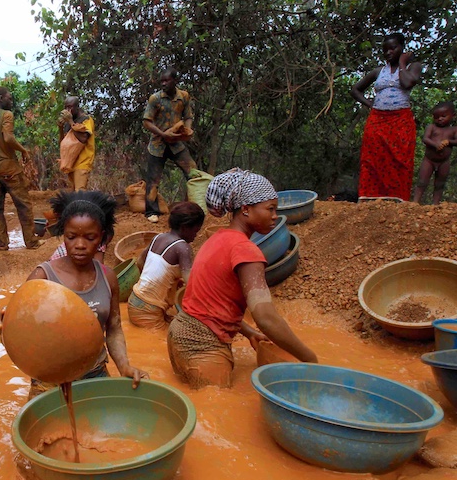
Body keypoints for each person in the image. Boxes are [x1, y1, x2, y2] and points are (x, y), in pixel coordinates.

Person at [168, 169, 318, 389]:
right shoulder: (245, 250)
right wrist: (311, 359)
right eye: (270, 209)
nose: (275, 216)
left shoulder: (217, 239)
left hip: (178, 336)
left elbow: (213, 302)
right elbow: (266, 318)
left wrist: (248, 333)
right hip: (203, 348)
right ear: (246, 209)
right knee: (217, 413)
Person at [15, 190, 149, 399]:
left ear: (102, 238)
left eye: (90, 237)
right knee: (48, 431)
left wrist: (124, 367)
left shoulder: (108, 277)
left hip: (95, 373)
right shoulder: (43, 277)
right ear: (63, 236)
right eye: (71, 237)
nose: (79, 245)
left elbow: (113, 329)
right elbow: (20, 331)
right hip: (50, 380)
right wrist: (4, 326)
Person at [351, 33, 423, 201]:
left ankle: (397, 199)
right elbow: (355, 90)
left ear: (402, 48)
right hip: (378, 119)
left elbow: (407, 83)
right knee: (372, 159)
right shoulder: (378, 71)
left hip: (401, 119)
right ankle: (370, 198)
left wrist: (403, 63)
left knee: (400, 159)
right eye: (385, 50)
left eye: (393, 48)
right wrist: (370, 104)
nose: (388, 52)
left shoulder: (414, 67)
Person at [0, 86, 43, 251]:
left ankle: (2, 243)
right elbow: (8, 137)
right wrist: (23, 150)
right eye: (9, 98)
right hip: (10, 169)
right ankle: (31, 241)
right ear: (0, 98)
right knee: (24, 205)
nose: (11, 102)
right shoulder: (7, 115)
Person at [128, 202, 204, 330]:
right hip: (149, 310)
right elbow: (191, 283)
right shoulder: (183, 247)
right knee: (163, 342)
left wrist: (170, 282)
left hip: (134, 301)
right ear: (185, 227)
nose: (195, 236)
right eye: (195, 231)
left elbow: (140, 263)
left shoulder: (158, 237)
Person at [142, 67, 196, 223]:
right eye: (162, 81)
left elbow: (188, 116)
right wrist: (163, 133)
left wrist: (188, 129)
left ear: (175, 81)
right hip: (158, 145)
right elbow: (147, 121)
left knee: (192, 172)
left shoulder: (184, 96)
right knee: (153, 179)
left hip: (177, 143)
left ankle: (192, 207)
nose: (163, 84)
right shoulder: (155, 99)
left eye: (167, 81)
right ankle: (151, 212)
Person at [413, 102, 457, 205]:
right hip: (429, 160)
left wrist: (449, 142)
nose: (440, 119)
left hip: (444, 161)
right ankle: (415, 202)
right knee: (422, 181)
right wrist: (435, 145)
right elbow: (425, 138)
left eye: (443, 116)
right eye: (436, 117)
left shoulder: (455, 129)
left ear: (453, 115)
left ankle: (435, 204)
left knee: (440, 184)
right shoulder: (432, 127)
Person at [58, 96, 95, 191]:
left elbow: (83, 138)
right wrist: (60, 128)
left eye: (70, 107)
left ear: (77, 107)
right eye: (66, 107)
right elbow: (63, 143)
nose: (68, 110)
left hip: (83, 162)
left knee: (80, 192)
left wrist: (70, 121)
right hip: (71, 163)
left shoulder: (86, 119)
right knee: (75, 192)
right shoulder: (68, 123)